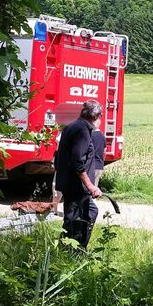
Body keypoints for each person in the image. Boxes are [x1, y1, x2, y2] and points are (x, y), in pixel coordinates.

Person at [54, 101, 103, 249]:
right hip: (76, 185)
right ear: (95, 116)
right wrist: (91, 186)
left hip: (70, 183)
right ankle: (73, 250)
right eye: (100, 116)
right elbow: (78, 162)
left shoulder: (73, 126)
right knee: (76, 218)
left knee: (85, 213)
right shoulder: (82, 130)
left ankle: (72, 248)